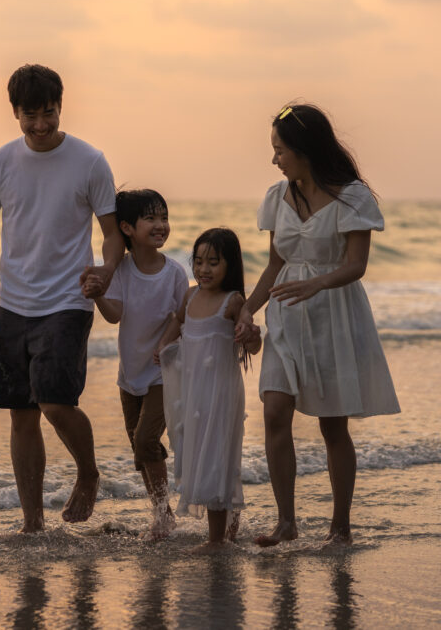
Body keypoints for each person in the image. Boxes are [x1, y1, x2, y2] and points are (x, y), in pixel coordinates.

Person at [0, 64, 125, 534]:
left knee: (54, 402)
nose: (41, 125)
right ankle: (32, 524)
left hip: (67, 299)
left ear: (61, 107)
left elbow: (112, 234)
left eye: (49, 113)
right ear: (15, 113)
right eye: (31, 116)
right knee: (21, 416)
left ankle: (87, 472)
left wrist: (106, 272)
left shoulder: (89, 161)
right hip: (13, 304)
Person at [236, 103, 401, 548]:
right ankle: (286, 523)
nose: (274, 159)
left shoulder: (352, 197)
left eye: (280, 149)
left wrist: (316, 285)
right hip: (287, 315)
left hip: (334, 316)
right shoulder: (277, 197)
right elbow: (275, 264)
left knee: (332, 426)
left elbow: (356, 265)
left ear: (304, 149)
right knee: (274, 411)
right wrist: (247, 309)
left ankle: (340, 527)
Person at [85, 189, 189, 540]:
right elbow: (115, 316)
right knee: (138, 446)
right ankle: (161, 511)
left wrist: (168, 342)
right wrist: (98, 293)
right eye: (152, 218)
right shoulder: (122, 272)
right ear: (127, 227)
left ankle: (163, 513)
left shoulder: (174, 273)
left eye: (164, 217)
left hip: (164, 370)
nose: (161, 225)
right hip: (129, 374)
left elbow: (184, 315)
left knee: (146, 440)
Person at [156, 228, 261, 553]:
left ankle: (216, 540)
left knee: (217, 456)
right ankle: (229, 525)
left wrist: (250, 335)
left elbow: (254, 347)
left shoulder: (233, 301)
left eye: (213, 262)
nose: (204, 269)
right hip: (194, 395)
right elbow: (176, 327)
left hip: (221, 394)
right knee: (200, 453)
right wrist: (162, 349)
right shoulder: (190, 296)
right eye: (198, 261)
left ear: (230, 265)